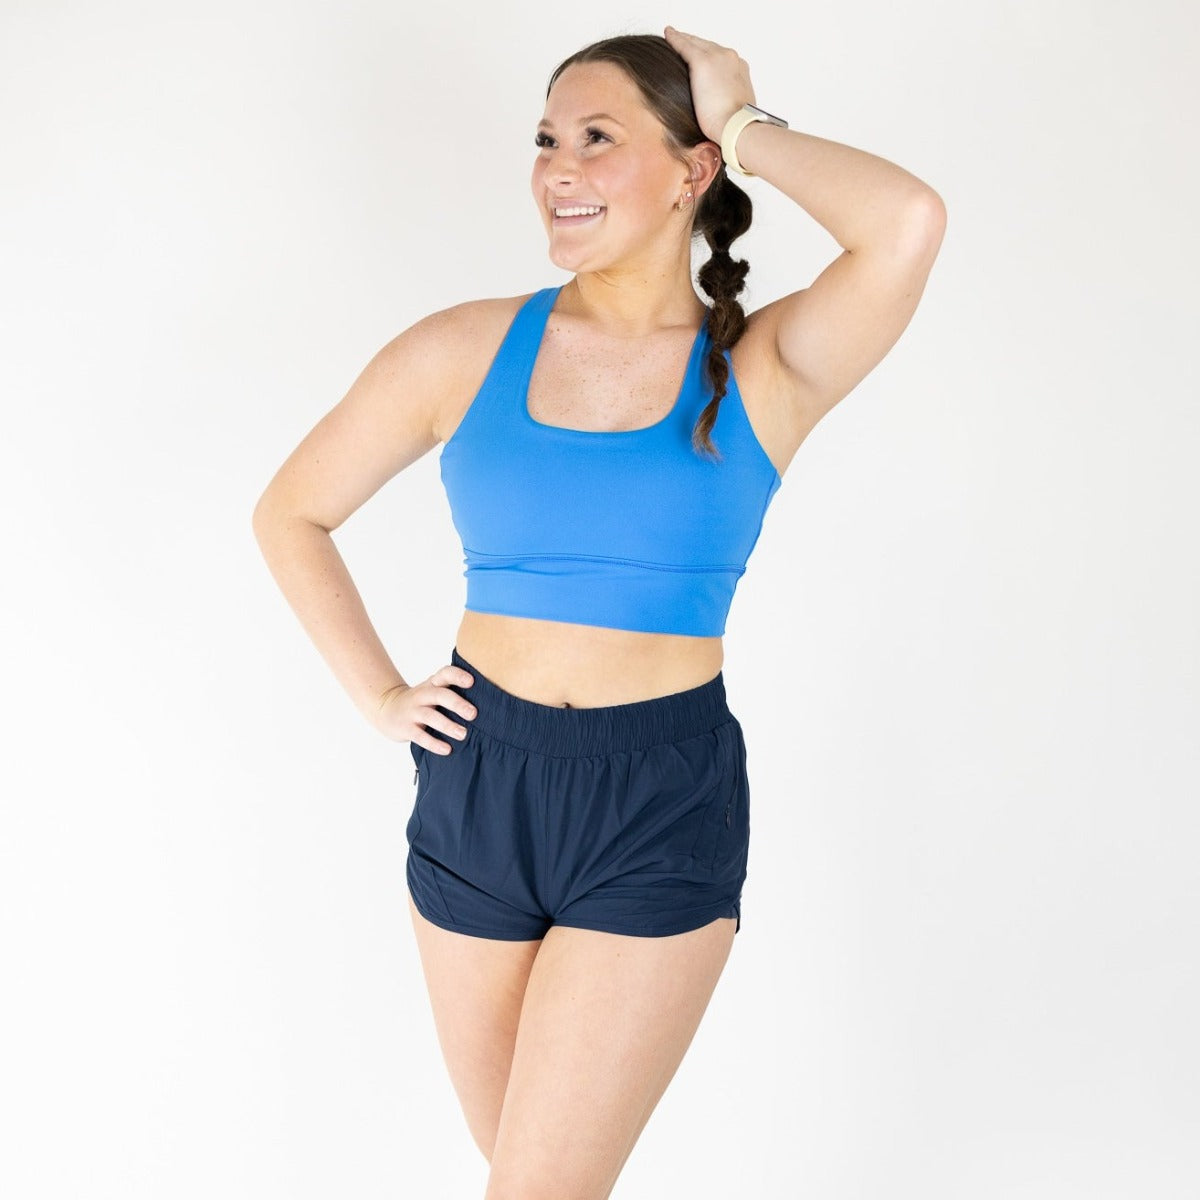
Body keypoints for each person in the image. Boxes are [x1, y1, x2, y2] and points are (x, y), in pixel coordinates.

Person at [252, 25, 945, 1199]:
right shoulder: (462, 350)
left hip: (657, 801)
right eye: (545, 140)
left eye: (597, 138)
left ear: (690, 174)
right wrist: (381, 697)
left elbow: (909, 223)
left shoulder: (764, 369)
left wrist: (743, 125)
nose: (557, 168)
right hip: (480, 781)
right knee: (524, 1173)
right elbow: (292, 513)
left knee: (538, 1189)